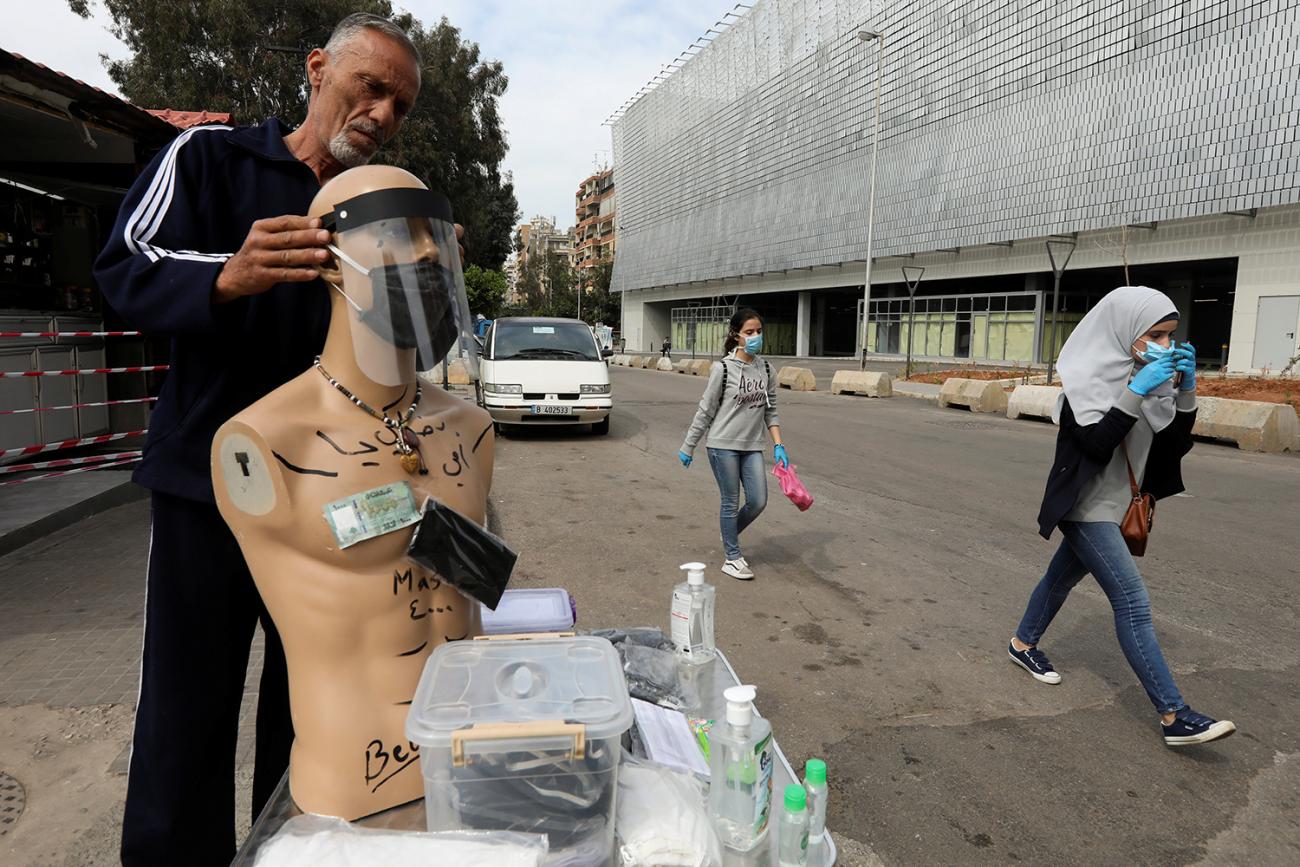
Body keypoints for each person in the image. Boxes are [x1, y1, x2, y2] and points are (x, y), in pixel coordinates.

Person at [93, 13, 427, 864]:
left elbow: (414, 357)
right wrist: (226, 275)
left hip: (330, 506)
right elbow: (122, 267)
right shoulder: (210, 160)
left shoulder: (382, 210)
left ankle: (290, 852)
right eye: (371, 86)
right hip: (209, 491)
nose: (383, 113)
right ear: (318, 70)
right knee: (185, 709)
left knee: (314, 709)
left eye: (400, 104)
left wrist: (426, 281)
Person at [1008, 286, 1236, 747]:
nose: (1165, 345)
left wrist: (1186, 389)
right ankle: (1174, 715)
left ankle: (1021, 645)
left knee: (1059, 580)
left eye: (1171, 336)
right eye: (1155, 334)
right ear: (1126, 331)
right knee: (1132, 602)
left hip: (1120, 506)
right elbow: (1096, 443)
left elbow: (1174, 445)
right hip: (1085, 507)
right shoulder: (1084, 383)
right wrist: (1134, 390)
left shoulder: (1151, 380)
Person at [677, 308, 787, 580]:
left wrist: (778, 446)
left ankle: (728, 533)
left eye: (759, 331)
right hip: (722, 445)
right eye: (749, 332)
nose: (755, 337)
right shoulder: (723, 369)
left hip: (752, 446)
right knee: (730, 501)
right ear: (736, 336)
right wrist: (688, 445)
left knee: (758, 500)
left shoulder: (766, 369)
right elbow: (706, 410)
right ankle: (732, 557)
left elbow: (770, 411)